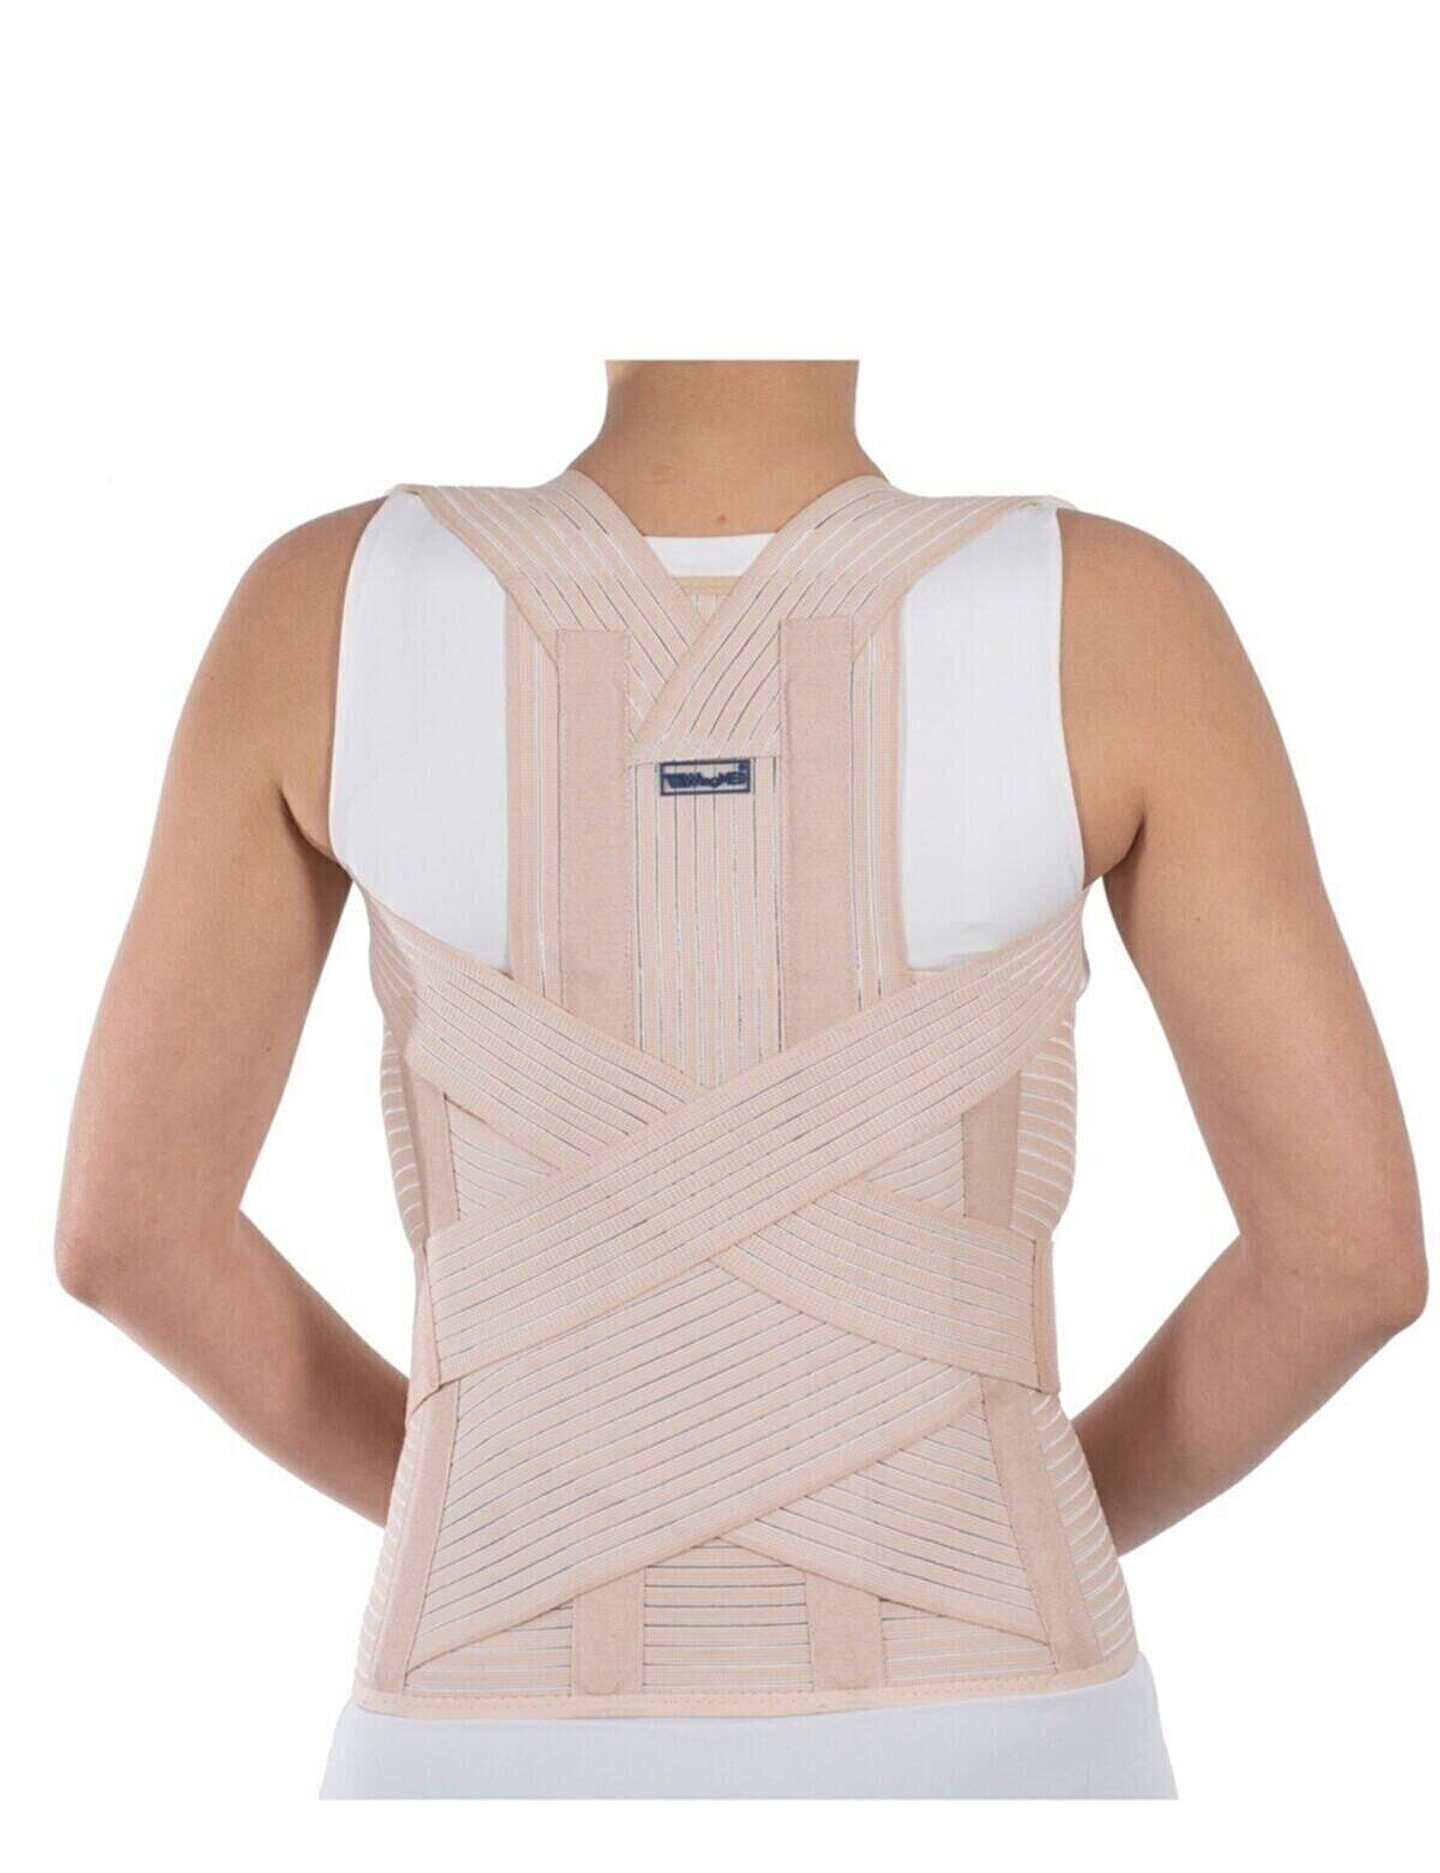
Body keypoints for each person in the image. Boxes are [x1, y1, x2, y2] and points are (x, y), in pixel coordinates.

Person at [55, 361, 1426, 1799]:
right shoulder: (1113, 619)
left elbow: (130, 1235)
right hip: (999, 1731)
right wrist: (1017, 1523)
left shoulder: (328, 612)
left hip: (476, 1736)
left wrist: (481, 1510)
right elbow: (1349, 1265)